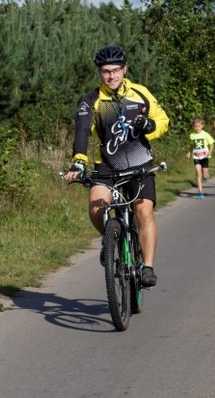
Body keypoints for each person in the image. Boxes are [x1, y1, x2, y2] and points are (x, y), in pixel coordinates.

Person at [64, 45, 169, 287]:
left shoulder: (140, 93)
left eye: (115, 70)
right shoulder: (92, 100)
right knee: (96, 206)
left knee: (143, 211)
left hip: (139, 162)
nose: (111, 76)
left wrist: (150, 127)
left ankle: (148, 267)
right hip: (107, 166)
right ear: (100, 73)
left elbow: (163, 120)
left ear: (124, 70)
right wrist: (79, 160)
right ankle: (109, 240)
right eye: (105, 71)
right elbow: (82, 131)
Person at [187, 117, 214, 200]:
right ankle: (200, 192)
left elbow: (211, 144)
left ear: (202, 126)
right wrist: (189, 152)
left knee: (204, 175)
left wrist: (210, 151)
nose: (197, 128)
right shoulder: (192, 135)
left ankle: (206, 176)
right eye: (195, 126)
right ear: (193, 127)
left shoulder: (205, 134)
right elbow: (192, 145)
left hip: (205, 157)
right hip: (196, 157)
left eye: (198, 126)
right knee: (198, 174)